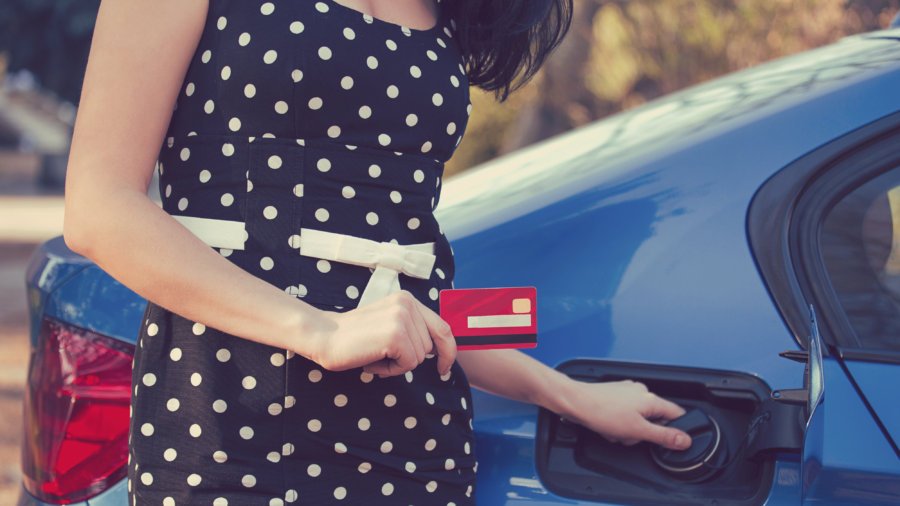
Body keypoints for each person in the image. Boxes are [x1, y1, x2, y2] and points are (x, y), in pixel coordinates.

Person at [62, 0, 693, 504]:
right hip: (231, 426)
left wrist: (570, 394)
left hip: (414, 442)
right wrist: (320, 330)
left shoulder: (444, 10)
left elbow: (411, 285)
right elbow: (98, 209)